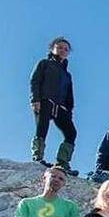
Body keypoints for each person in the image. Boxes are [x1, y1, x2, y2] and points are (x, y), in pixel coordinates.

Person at [29, 36, 78, 175]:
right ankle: (38, 157)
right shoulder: (44, 63)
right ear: (52, 48)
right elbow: (35, 81)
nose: (63, 50)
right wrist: (35, 99)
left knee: (71, 133)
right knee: (42, 128)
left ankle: (62, 162)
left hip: (61, 106)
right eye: (60, 47)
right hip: (45, 101)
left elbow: (70, 95)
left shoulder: (67, 74)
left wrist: (69, 111)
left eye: (66, 49)